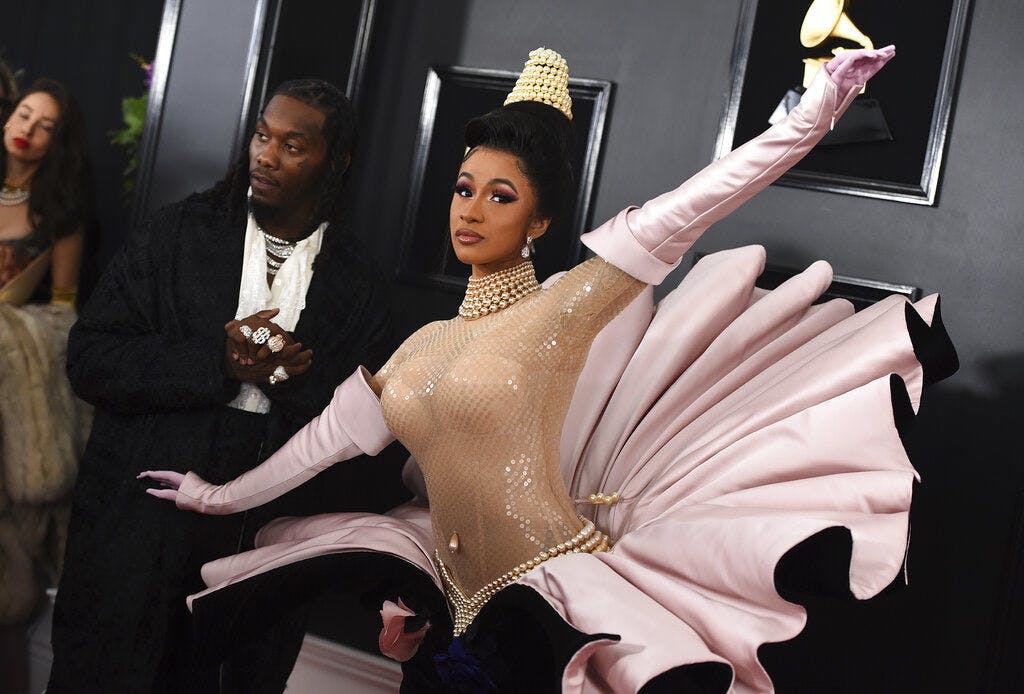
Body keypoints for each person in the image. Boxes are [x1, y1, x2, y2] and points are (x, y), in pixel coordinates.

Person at [143, 46, 957, 692]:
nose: (470, 209)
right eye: (464, 188)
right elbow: (320, 446)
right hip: (448, 602)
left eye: (500, 196)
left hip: (549, 603)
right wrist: (213, 496)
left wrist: (814, 113)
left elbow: (704, 200)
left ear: (540, 220)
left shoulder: (563, 309)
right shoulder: (419, 348)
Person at [48, 78, 396, 694]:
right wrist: (218, 363)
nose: (267, 155)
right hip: (141, 514)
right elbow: (90, 359)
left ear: (336, 162)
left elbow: (367, 436)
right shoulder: (177, 234)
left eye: (293, 146)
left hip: (260, 533)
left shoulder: (359, 281)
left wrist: (287, 374)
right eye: (263, 136)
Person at [0, 76, 93, 694]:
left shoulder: (58, 215)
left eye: (45, 125)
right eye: (23, 114)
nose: (27, 129)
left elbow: (63, 317)